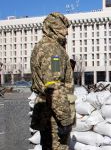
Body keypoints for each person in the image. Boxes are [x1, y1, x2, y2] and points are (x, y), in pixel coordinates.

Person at [30, 12, 76, 150]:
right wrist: (65, 119)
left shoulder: (45, 46)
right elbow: (53, 86)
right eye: (62, 28)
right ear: (52, 28)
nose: (66, 32)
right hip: (54, 115)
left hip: (48, 111)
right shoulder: (52, 50)